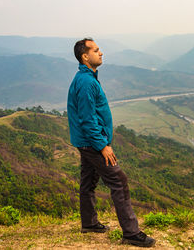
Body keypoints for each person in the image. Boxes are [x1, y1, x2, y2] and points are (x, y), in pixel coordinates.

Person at [67, 38, 156, 247]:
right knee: (119, 181)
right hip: (92, 143)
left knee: (88, 182)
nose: (101, 53)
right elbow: (87, 120)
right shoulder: (87, 82)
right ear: (85, 56)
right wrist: (102, 146)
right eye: (96, 50)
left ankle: (89, 223)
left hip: (86, 142)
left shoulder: (86, 78)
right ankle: (131, 233)